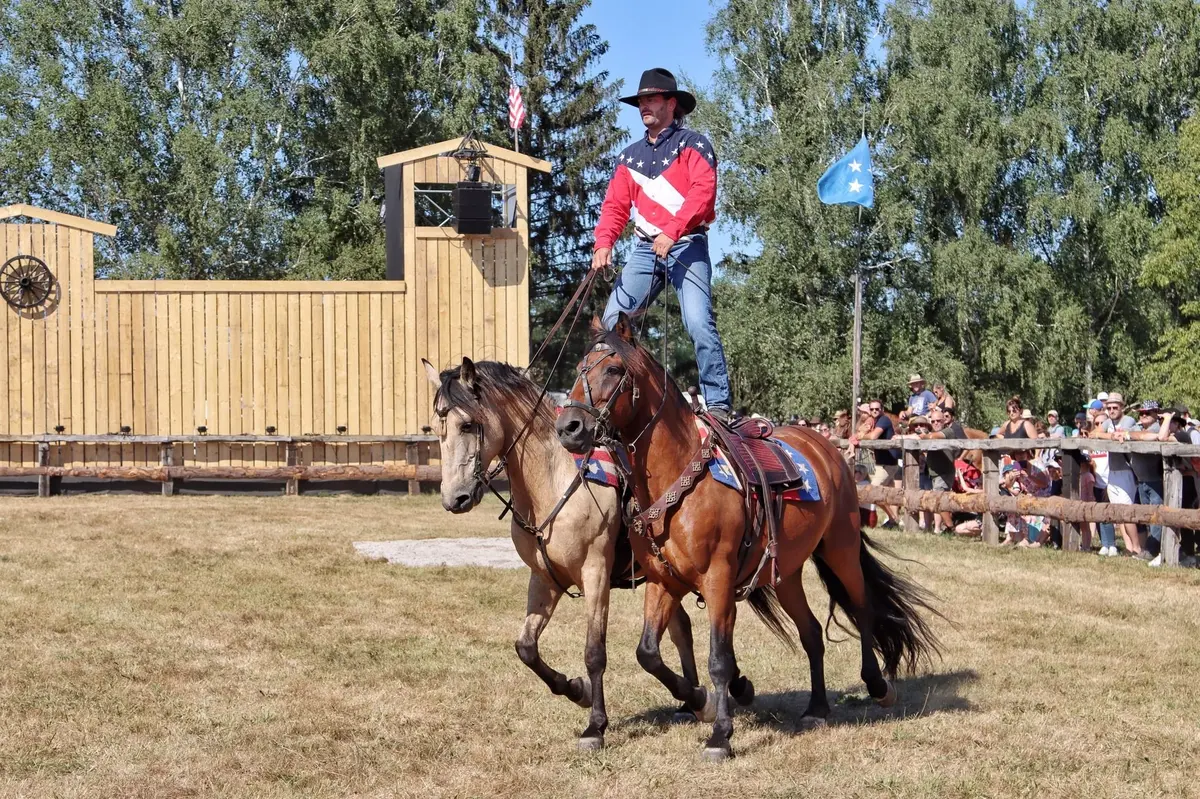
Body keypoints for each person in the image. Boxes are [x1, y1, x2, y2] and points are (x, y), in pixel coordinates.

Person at [591, 68, 731, 421]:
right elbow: (615, 206)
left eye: (652, 99)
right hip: (644, 250)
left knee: (698, 322)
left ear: (672, 103)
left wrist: (672, 231)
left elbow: (703, 192)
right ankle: (625, 400)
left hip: (687, 245)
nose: (644, 106)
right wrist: (603, 244)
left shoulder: (694, 145)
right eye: (641, 101)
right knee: (611, 323)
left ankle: (718, 405)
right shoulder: (630, 157)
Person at [1089, 392, 1144, 557]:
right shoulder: (1108, 422)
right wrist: (1107, 435)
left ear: (1122, 407)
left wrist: (1108, 435)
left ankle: (1138, 548)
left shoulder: (1128, 420)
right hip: (1113, 471)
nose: (1112, 410)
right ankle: (1130, 547)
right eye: (1109, 407)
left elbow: (1122, 436)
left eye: (1115, 407)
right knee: (1119, 513)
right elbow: (1094, 434)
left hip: (1127, 471)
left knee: (1128, 512)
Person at [1120, 401, 1166, 561]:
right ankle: (1148, 549)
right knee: (1145, 516)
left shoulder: (1158, 428)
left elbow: (1147, 437)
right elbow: (1124, 433)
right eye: (1141, 413)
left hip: (1156, 480)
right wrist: (1126, 434)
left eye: (1148, 412)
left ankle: (1153, 551)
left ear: (1156, 414)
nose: (1144, 415)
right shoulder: (1138, 428)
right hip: (1141, 481)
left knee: (1156, 517)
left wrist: (1127, 436)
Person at [863, 399, 901, 528]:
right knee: (888, 495)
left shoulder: (883, 420)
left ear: (882, 410)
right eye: (872, 409)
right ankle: (893, 520)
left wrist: (862, 435)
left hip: (888, 464)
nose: (874, 411)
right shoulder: (874, 421)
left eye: (877, 409)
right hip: (883, 463)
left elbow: (873, 436)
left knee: (873, 491)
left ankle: (893, 518)